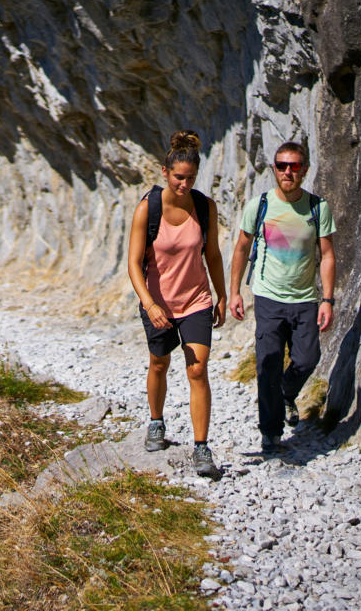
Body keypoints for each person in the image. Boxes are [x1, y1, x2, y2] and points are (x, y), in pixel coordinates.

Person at [128, 130, 226, 477]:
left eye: (191, 178)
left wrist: (222, 294)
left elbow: (212, 254)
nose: (184, 184)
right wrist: (149, 304)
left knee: (197, 369)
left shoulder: (204, 207)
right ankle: (156, 421)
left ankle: (201, 447)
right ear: (165, 173)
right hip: (159, 303)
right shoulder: (147, 208)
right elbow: (133, 263)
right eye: (179, 177)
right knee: (159, 363)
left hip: (196, 300)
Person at [229, 141, 336, 453]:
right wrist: (235, 292)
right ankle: (271, 434)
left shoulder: (318, 207)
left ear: (304, 169)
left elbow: (327, 255)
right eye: (282, 166)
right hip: (268, 298)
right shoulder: (259, 205)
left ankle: (287, 393)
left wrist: (327, 300)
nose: (288, 171)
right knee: (268, 365)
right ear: (274, 169)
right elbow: (241, 248)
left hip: (305, 299)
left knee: (307, 358)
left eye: (295, 166)